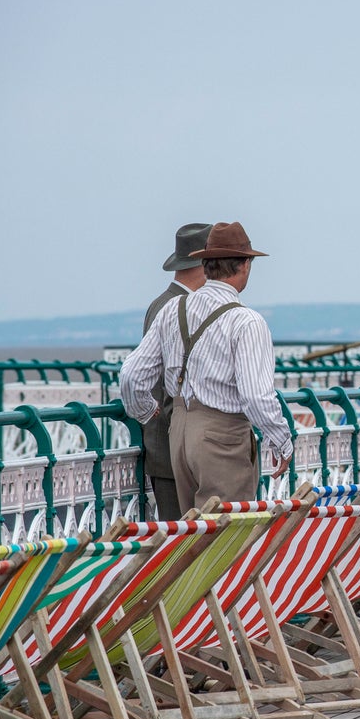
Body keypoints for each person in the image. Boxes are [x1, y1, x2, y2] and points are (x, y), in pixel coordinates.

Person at [121, 222, 292, 513]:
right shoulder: (247, 322)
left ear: (206, 264)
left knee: (191, 537)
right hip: (223, 437)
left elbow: (131, 375)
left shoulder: (174, 309)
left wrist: (146, 411)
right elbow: (256, 396)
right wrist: (281, 440)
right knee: (226, 539)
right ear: (245, 266)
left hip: (179, 434)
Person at [139, 222, 211, 519]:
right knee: (182, 546)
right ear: (204, 264)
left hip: (167, 451)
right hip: (172, 451)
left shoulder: (165, 303)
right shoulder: (178, 306)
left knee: (181, 544)